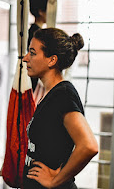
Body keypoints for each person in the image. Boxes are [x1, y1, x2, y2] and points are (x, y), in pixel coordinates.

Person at [22, 28, 98, 188]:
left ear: (52, 60)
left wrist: (55, 180)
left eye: (33, 53)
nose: (25, 58)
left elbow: (89, 145)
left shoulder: (63, 95)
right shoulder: (51, 93)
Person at [28, 0, 50, 92]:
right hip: (35, 86)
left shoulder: (33, 31)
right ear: (41, 11)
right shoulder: (38, 35)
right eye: (49, 10)